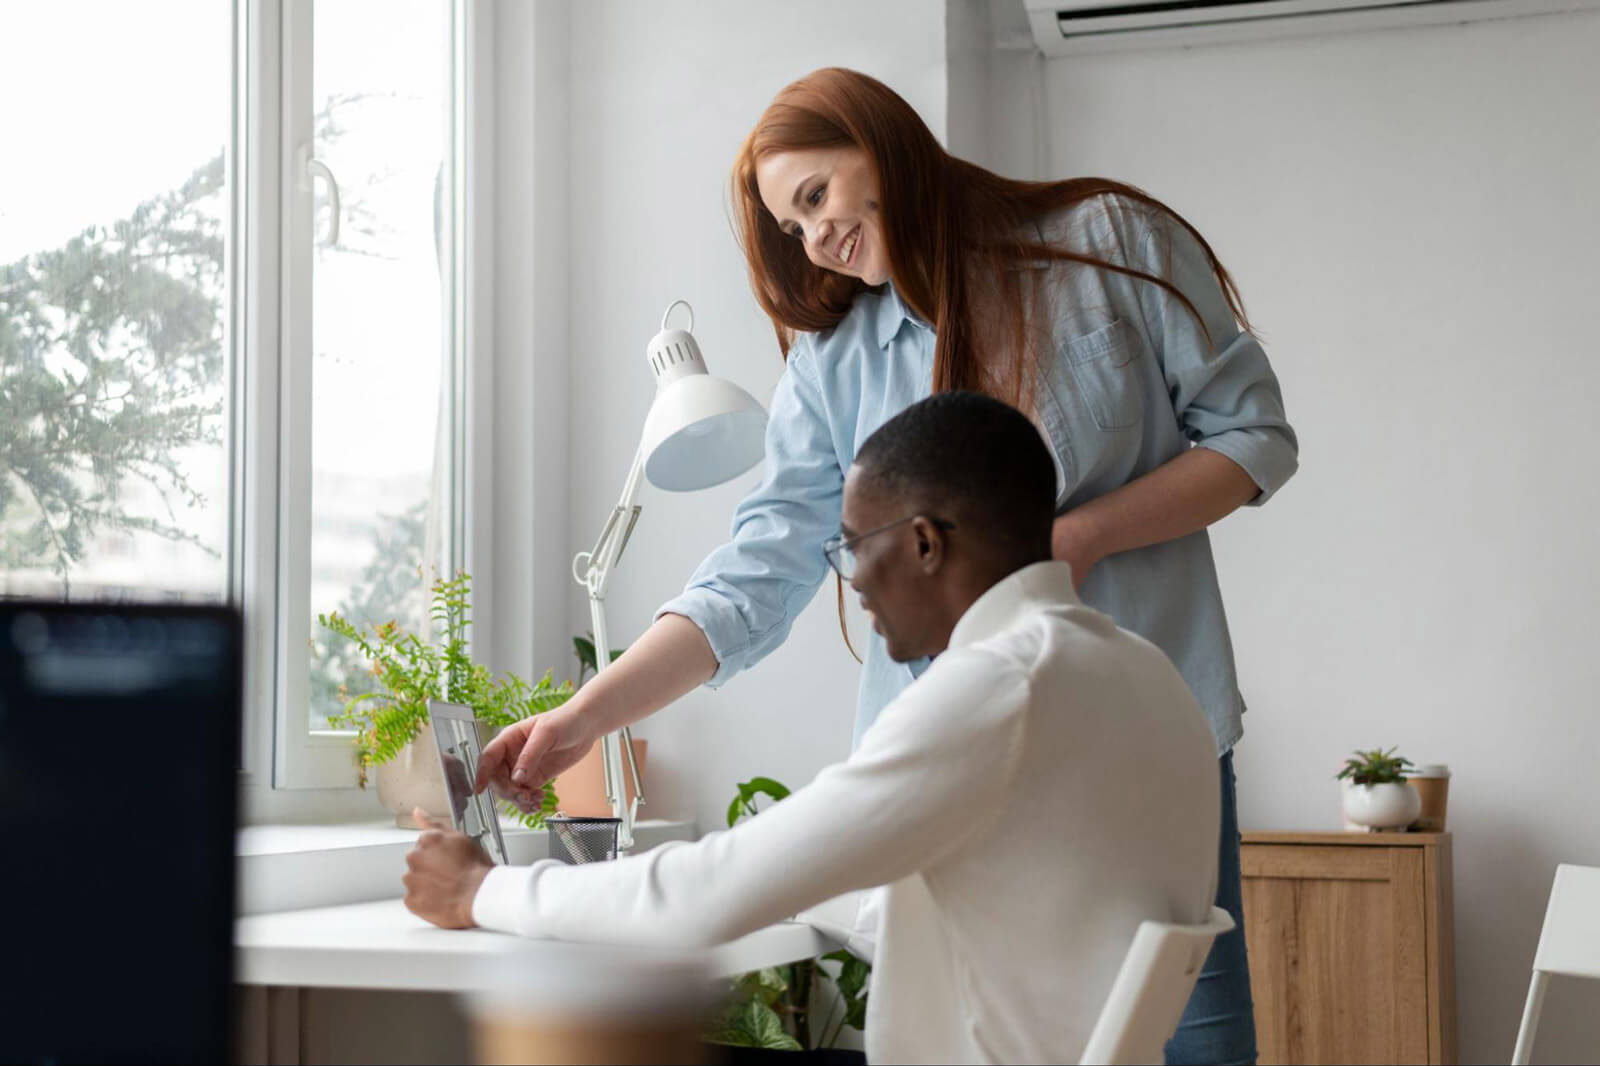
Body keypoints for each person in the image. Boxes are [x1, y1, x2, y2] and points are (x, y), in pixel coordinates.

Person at [475, 67, 1297, 1064]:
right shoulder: (835, 365)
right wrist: (580, 719)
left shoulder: (1107, 244)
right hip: (950, 770)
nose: (814, 238)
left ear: (882, 144)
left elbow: (1253, 439)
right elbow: (755, 575)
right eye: (792, 226)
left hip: (1131, 751)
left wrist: (1076, 538)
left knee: (1193, 1038)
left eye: (816, 196)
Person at [408, 391, 1222, 1065]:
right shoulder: (1146, 677)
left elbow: (696, 904)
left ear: (925, 543)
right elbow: (1016, 895)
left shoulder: (998, 687)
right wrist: (802, 885)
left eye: (853, 548)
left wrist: (482, 889)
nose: (854, 582)